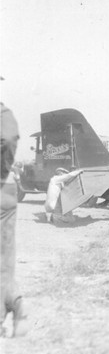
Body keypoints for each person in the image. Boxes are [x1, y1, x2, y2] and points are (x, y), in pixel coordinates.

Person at [1, 102, 28, 337]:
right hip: (6, 188)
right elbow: (9, 139)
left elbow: (7, 140)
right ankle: (16, 302)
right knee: (5, 258)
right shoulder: (4, 113)